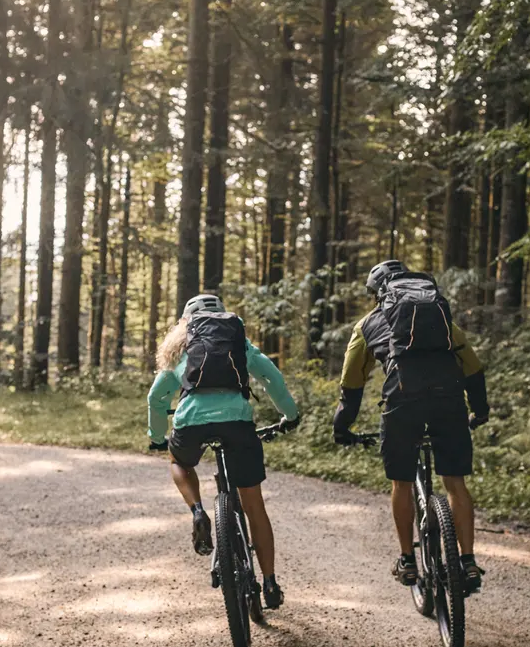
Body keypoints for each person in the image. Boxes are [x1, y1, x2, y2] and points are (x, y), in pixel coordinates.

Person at [333, 260, 490, 594]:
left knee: (401, 482)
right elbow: (473, 367)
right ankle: (467, 561)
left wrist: (342, 427)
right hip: (449, 400)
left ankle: (406, 559)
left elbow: (352, 385)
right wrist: (479, 410)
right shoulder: (440, 318)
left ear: (376, 293)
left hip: (402, 403)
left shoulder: (367, 325)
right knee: (455, 484)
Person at [148, 294, 300, 609]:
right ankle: (270, 584)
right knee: (254, 505)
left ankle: (197, 511)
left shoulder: (180, 348)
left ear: (185, 322)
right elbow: (271, 376)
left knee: (179, 462)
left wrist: (158, 436)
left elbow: (155, 398)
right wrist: (289, 414)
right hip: (237, 423)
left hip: (191, 424)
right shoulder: (237, 341)